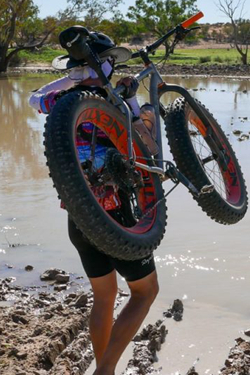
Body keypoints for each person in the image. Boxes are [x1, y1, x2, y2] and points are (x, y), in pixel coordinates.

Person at [29, 26, 158, 375]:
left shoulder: (60, 104)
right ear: (107, 65)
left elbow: (34, 98)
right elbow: (146, 146)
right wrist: (133, 103)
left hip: (79, 217)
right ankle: (105, 372)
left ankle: (106, 370)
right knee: (145, 293)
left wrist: (69, 82)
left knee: (105, 297)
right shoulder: (112, 102)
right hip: (115, 213)